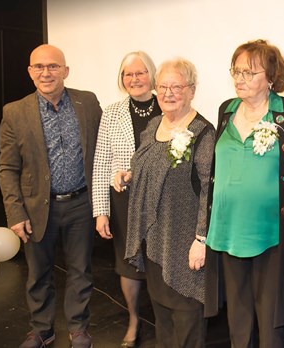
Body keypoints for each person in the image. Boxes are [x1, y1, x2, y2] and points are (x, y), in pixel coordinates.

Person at [0, 44, 101, 348]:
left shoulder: (88, 102)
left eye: (53, 66)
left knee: (81, 271)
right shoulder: (14, 112)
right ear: (30, 72)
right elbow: (7, 168)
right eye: (39, 67)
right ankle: (42, 329)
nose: (47, 73)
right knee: (38, 274)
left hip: (81, 203)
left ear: (65, 71)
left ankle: (79, 329)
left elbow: (102, 149)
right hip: (36, 208)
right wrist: (15, 213)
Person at [205, 39, 284, 348]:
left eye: (249, 72)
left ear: (271, 77)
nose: (239, 79)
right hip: (229, 228)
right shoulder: (226, 109)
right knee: (238, 314)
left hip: (270, 231)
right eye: (236, 71)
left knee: (272, 316)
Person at [118, 58, 214, 348]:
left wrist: (201, 238)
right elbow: (152, 167)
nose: (168, 93)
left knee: (186, 318)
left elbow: (210, 189)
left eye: (177, 86)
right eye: (163, 87)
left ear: (192, 90)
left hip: (185, 245)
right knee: (162, 317)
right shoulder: (154, 125)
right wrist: (131, 175)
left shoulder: (203, 132)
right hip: (155, 242)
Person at [91, 51, 161, 347]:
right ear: (122, 80)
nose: (134, 79)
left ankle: (164, 319)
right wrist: (101, 211)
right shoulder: (112, 112)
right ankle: (133, 320)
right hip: (124, 202)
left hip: (161, 202)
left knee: (160, 263)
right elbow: (101, 163)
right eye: (128, 74)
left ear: (152, 75)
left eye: (140, 72)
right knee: (128, 265)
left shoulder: (168, 106)